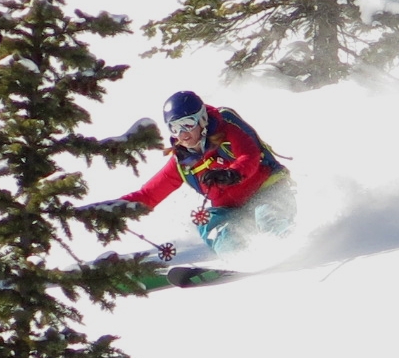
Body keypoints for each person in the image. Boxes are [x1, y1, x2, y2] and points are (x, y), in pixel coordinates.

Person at [119, 90, 296, 257]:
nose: (182, 134)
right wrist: (114, 209)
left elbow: (249, 155)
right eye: (174, 128)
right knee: (212, 228)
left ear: (202, 119)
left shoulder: (227, 131)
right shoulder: (182, 162)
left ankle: (291, 249)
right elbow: (149, 194)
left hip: (267, 191)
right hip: (232, 211)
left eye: (187, 124)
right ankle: (239, 259)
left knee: (266, 217)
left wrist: (230, 174)